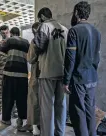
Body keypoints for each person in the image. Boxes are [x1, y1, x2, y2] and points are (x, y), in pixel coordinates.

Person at [63, 1, 101, 136]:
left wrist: (66, 81)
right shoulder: (96, 31)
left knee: (78, 112)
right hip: (92, 78)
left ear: (77, 13)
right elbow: (97, 57)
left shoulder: (74, 31)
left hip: (79, 79)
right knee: (90, 110)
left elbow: (70, 58)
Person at [34, 8, 68, 136]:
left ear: (42, 16)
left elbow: (38, 47)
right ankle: (60, 132)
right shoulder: (65, 29)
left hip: (48, 71)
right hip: (63, 72)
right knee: (61, 105)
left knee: (47, 107)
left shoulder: (44, 26)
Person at [0, 27, 29, 130]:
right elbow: (31, 56)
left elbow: (0, 54)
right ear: (19, 33)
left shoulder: (9, 41)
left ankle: (6, 120)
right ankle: (21, 121)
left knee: (7, 98)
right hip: (23, 75)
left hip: (9, 74)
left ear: (11, 33)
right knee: (22, 99)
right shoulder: (26, 42)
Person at [19, 22, 41, 136]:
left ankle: (31, 124)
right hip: (48, 75)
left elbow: (30, 58)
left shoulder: (35, 41)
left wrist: (27, 55)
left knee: (33, 100)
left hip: (36, 73)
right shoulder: (51, 39)